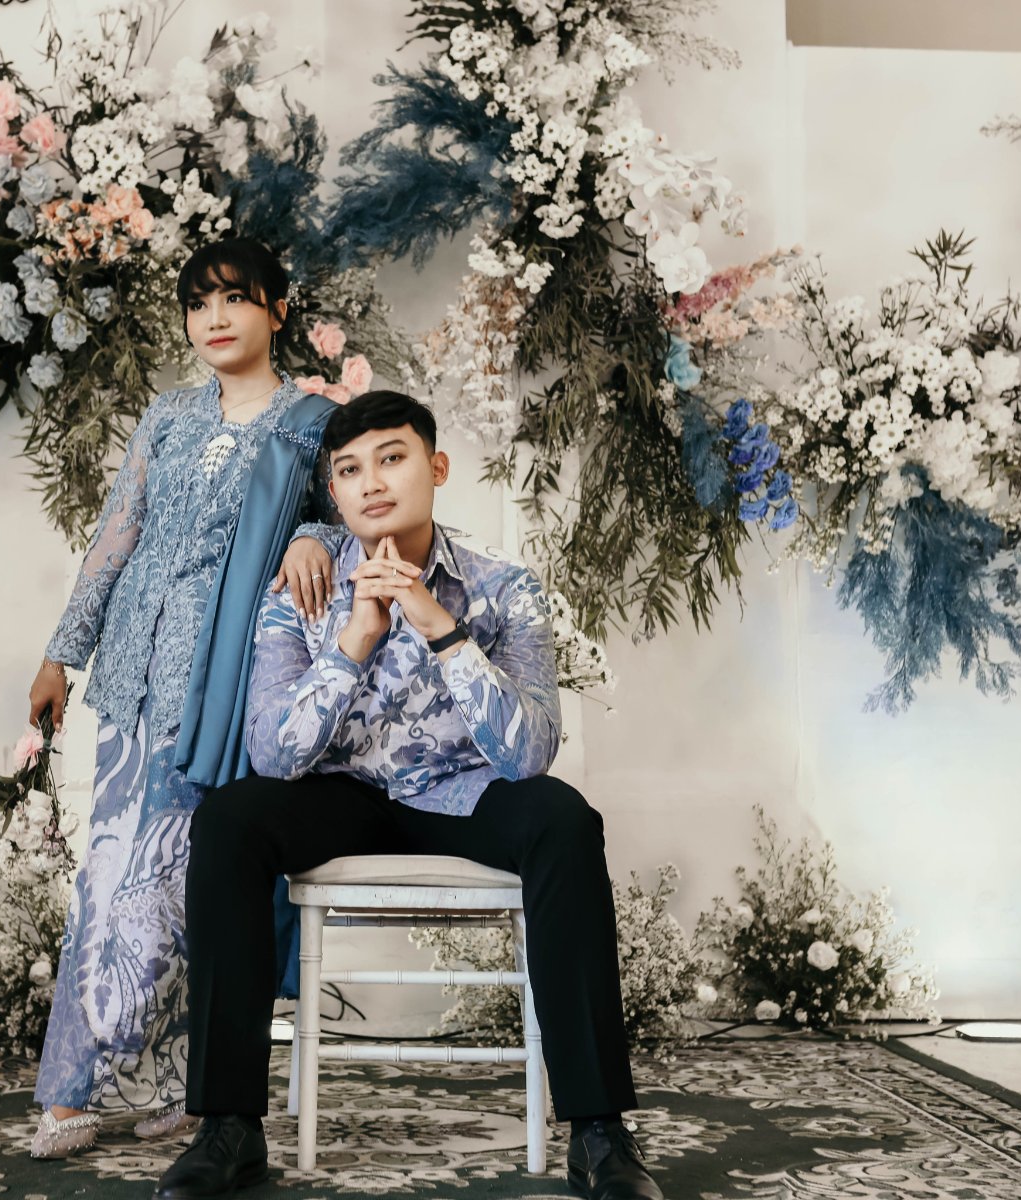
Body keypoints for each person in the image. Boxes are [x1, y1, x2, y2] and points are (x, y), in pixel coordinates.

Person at [153, 391, 663, 1200]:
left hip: (464, 795)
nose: (373, 483)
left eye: (392, 458)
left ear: (437, 467)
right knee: (228, 821)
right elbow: (274, 753)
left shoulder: (507, 587)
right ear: (335, 490)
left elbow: (530, 751)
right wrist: (354, 639)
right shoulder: (300, 588)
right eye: (350, 469)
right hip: (343, 794)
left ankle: (599, 1133)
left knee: (564, 820)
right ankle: (229, 1127)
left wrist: (440, 627)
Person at [26, 239, 343, 1157]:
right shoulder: (166, 416)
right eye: (199, 303)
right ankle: (80, 1088)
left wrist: (314, 535)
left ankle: (168, 1085)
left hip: (229, 681)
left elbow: (356, 513)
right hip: (133, 669)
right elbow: (115, 533)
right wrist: (62, 655)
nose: (215, 318)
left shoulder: (314, 424)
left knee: (184, 885)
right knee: (107, 875)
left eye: (235, 298)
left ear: (277, 311)